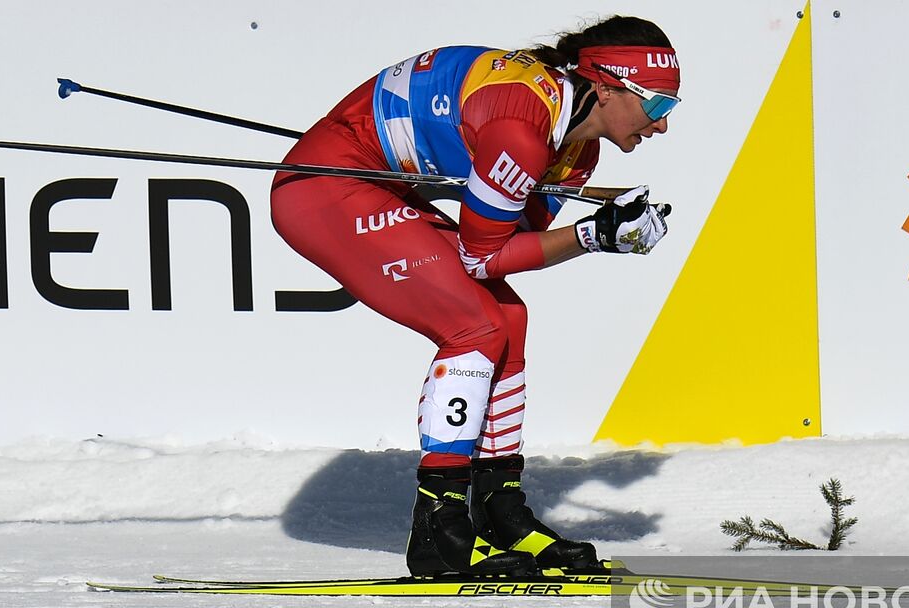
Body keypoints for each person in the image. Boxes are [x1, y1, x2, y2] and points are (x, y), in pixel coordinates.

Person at [270, 16, 680, 577]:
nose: (661, 126)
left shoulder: (576, 151)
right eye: (657, 107)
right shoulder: (524, 131)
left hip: (377, 178)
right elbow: (482, 257)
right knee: (475, 327)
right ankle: (439, 524)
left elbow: (515, 240)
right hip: (325, 186)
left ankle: (501, 510)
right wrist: (595, 236)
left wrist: (595, 230)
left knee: (507, 315)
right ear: (607, 86)